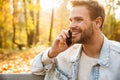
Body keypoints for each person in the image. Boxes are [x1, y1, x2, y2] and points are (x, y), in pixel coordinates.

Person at [31, 0, 120, 80]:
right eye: (71, 20)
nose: (71, 26)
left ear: (97, 22)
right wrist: (52, 52)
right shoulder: (64, 53)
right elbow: (36, 69)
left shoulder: (117, 57)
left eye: (78, 20)